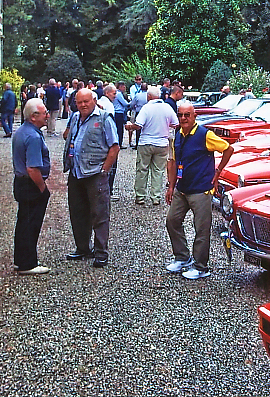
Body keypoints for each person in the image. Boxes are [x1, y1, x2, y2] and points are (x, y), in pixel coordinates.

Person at [165, 101, 234, 279]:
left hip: (201, 190)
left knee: (201, 229)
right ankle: (182, 257)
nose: (183, 118)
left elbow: (228, 149)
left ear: (194, 116)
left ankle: (201, 266)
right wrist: (171, 186)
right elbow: (173, 161)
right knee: (172, 221)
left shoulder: (205, 135)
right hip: (182, 188)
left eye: (187, 115)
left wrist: (217, 173)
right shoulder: (178, 135)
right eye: (180, 115)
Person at [62, 89, 119, 267]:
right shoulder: (74, 117)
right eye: (79, 102)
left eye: (86, 101)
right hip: (76, 172)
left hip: (95, 174)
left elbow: (114, 147)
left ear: (94, 100)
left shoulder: (104, 118)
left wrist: (104, 170)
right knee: (77, 213)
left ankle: (101, 252)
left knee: (100, 214)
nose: (83, 105)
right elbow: (67, 136)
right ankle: (82, 248)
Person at [12, 99, 52, 275]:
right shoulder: (33, 137)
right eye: (44, 113)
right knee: (31, 224)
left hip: (21, 183)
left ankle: (21, 259)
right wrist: (42, 188)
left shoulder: (22, 131)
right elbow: (32, 168)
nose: (47, 116)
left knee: (23, 222)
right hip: (30, 185)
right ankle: (28, 263)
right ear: (34, 116)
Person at [126, 86, 178, 206]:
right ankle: (156, 197)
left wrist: (129, 127)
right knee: (158, 171)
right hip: (162, 143)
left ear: (149, 96)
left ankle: (140, 196)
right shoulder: (167, 107)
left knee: (142, 169)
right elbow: (175, 123)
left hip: (146, 142)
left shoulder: (146, 108)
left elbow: (138, 125)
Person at [128, 82, 149, 148]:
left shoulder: (137, 95)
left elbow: (132, 104)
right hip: (148, 112)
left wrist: (133, 108)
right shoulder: (149, 96)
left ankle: (137, 144)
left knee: (138, 128)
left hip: (139, 112)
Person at [113, 82, 129, 147]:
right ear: (120, 87)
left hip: (116, 112)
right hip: (119, 112)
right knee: (120, 129)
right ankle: (119, 144)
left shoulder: (116, 93)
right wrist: (131, 103)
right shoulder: (119, 94)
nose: (124, 88)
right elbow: (124, 103)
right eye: (123, 87)